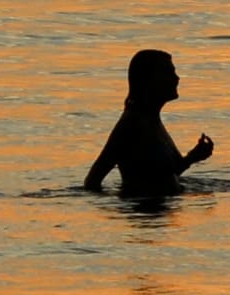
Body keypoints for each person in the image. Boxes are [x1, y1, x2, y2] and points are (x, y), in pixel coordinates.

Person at [84, 48, 214, 195]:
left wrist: (193, 157)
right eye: (168, 73)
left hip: (162, 212)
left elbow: (166, 172)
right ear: (149, 80)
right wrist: (121, 209)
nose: (177, 78)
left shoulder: (152, 119)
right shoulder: (131, 125)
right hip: (143, 214)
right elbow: (92, 181)